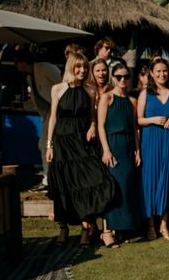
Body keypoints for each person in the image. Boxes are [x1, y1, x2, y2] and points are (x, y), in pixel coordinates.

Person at [45, 52, 118, 246]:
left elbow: (92, 116)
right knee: (63, 185)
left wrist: (93, 125)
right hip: (62, 143)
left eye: (85, 67)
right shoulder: (57, 89)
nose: (82, 70)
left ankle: (87, 227)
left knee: (91, 180)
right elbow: (53, 118)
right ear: (71, 67)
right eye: (78, 67)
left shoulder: (90, 90)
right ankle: (64, 228)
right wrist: (49, 145)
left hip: (82, 142)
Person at [138, 57, 169, 241]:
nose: (162, 74)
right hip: (150, 143)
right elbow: (139, 120)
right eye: (158, 71)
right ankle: (151, 225)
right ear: (151, 73)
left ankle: (164, 225)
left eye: (164, 71)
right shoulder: (145, 93)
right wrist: (152, 120)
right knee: (150, 181)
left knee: (168, 181)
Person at [97, 61, 142, 246]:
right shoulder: (107, 98)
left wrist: (138, 151)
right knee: (114, 188)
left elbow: (134, 129)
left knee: (127, 188)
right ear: (113, 78)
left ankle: (123, 229)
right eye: (118, 77)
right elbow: (100, 126)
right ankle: (107, 231)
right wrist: (106, 150)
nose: (123, 79)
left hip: (128, 147)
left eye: (126, 76)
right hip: (112, 146)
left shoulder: (132, 101)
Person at [14, 47, 62, 189]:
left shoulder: (44, 68)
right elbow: (37, 99)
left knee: (49, 144)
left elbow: (61, 82)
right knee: (44, 145)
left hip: (59, 110)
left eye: (16, 63)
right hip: (48, 113)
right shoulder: (30, 77)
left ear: (22, 62)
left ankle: (50, 177)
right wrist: (24, 106)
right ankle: (48, 177)